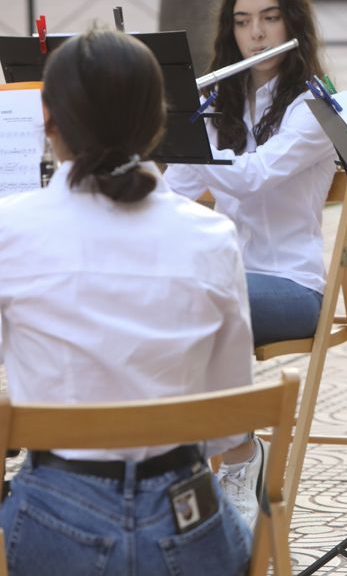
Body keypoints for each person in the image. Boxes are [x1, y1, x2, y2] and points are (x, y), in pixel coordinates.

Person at [0, 29, 255, 576]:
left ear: (49, 121)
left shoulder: (9, 229)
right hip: (187, 524)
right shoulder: (211, 234)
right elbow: (229, 424)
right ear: (158, 123)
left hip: (53, 520)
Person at [164, 0, 337, 528]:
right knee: (160, 297)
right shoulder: (219, 103)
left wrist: (190, 137)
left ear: (292, 24)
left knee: (201, 300)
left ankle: (237, 454)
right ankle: (178, 458)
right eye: (242, 21)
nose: (256, 34)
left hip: (292, 285)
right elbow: (177, 194)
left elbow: (257, 176)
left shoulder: (314, 106)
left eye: (268, 18)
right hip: (223, 276)